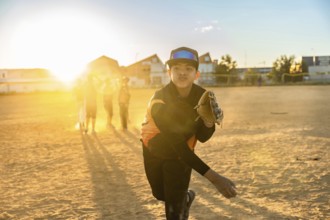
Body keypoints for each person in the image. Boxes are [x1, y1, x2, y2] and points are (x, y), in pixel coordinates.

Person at [141, 47, 237, 220]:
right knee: (160, 194)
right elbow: (175, 142)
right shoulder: (159, 100)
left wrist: (208, 123)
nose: (182, 73)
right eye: (177, 68)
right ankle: (186, 198)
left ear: (196, 74)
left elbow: (202, 137)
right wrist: (215, 178)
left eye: (188, 69)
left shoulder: (202, 97)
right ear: (169, 72)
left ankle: (179, 201)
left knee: (173, 210)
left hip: (180, 157)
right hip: (153, 150)